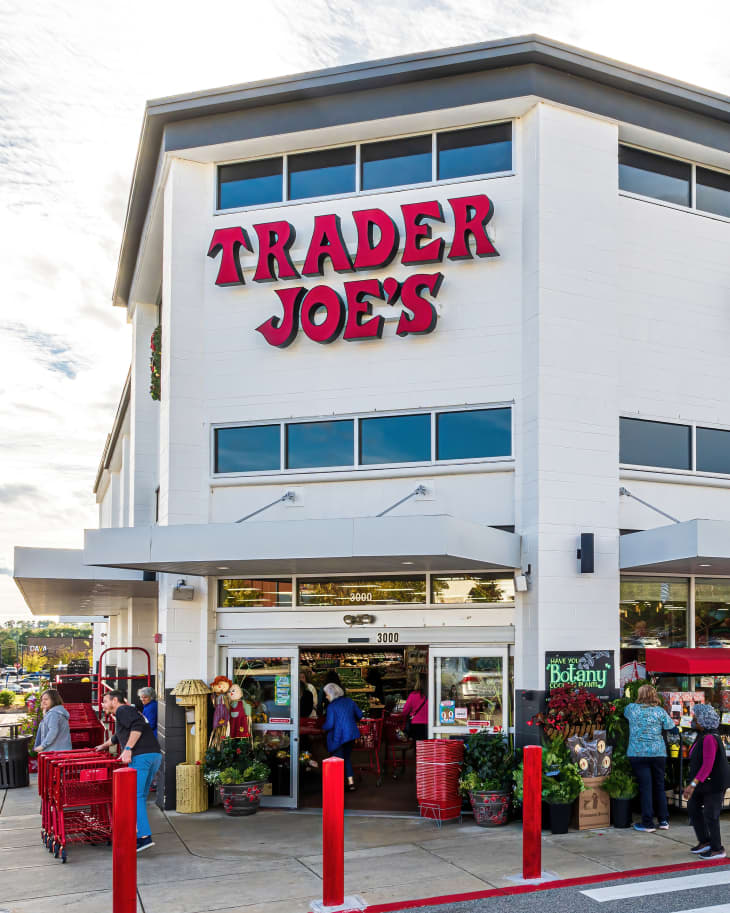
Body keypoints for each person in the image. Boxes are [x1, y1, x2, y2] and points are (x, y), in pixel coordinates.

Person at [96, 689, 161, 852]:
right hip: (153, 755)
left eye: (105, 700)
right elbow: (119, 735)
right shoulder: (127, 712)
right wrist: (103, 746)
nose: (103, 704)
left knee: (134, 797)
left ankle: (144, 837)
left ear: (115, 701)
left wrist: (128, 748)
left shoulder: (123, 710)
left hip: (141, 757)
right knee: (140, 797)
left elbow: (137, 726)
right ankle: (141, 833)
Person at [624, 683, 677, 832]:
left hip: (638, 753)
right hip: (658, 753)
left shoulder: (631, 709)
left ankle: (647, 823)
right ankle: (664, 820)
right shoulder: (660, 711)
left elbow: (624, 713)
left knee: (645, 788)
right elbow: (672, 729)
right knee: (659, 787)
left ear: (639, 695)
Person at [682, 704, 730, 860]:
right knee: (693, 806)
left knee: (711, 813)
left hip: (713, 783)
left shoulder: (710, 738)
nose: (693, 719)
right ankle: (705, 841)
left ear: (703, 720)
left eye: (696, 717)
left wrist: (692, 784)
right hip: (704, 782)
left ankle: (717, 849)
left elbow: (708, 765)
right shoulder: (703, 735)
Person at [322, 682, 362, 791]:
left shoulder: (331, 707)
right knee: (347, 758)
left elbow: (330, 724)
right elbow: (360, 715)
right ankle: (351, 782)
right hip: (351, 735)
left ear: (331, 694)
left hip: (338, 737)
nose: (326, 696)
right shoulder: (350, 701)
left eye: (326, 694)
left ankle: (337, 785)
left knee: (338, 760)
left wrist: (322, 727)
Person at [401, 674, 429, 741]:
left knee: (417, 746)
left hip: (415, 726)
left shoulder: (413, 695)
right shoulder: (433, 695)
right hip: (429, 725)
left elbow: (405, 712)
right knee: (428, 746)